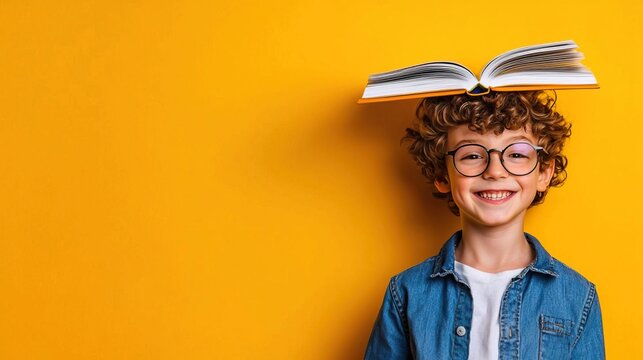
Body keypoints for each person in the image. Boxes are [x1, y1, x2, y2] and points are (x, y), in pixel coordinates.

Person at [363, 91, 605, 360]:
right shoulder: (406, 292)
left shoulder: (577, 296)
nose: (495, 170)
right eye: (472, 156)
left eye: (516, 153)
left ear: (544, 173)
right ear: (443, 175)